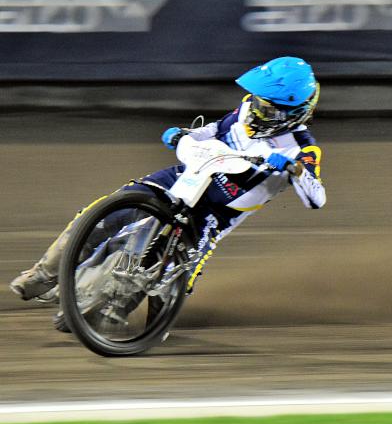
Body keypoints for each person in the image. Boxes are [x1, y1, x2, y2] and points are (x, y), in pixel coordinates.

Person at [9, 56, 326, 328]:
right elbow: (216, 130)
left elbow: (317, 198)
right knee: (101, 213)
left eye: (268, 110)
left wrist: (295, 170)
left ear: (295, 113)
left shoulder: (302, 148)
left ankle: (127, 318)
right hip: (187, 177)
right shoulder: (247, 108)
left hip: (214, 213)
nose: (257, 112)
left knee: (169, 278)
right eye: (257, 103)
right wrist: (185, 134)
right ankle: (42, 275)